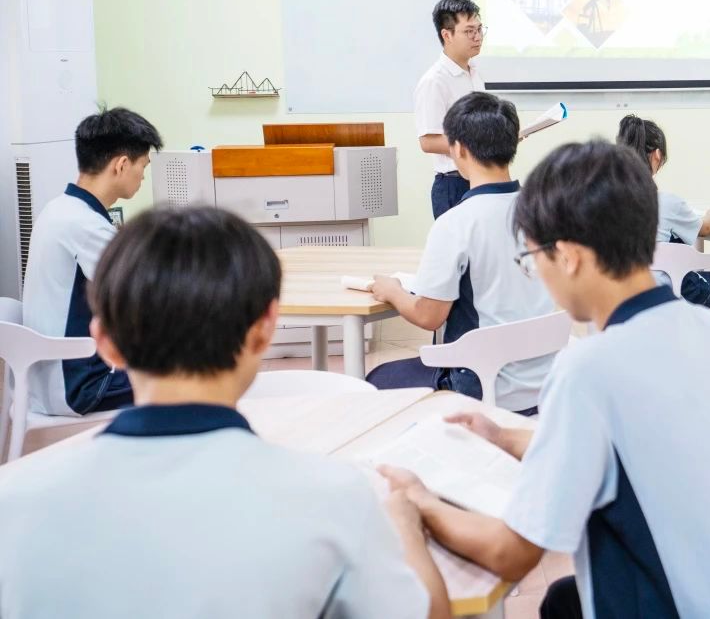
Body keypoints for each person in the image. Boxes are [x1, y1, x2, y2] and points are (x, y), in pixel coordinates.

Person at [380, 141, 710, 618]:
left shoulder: (589, 369)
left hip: (692, 608)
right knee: (563, 601)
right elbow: (629, 445)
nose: (536, 273)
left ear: (568, 256)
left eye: (531, 257)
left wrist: (417, 504)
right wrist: (503, 436)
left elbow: (510, 552)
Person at [0, 206, 448, 619]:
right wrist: (406, 526)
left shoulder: (14, 503)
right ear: (264, 330)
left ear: (105, 343)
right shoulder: (337, 498)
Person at [367, 92, 554, 415]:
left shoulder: (456, 223)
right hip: (546, 384)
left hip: (486, 389)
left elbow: (429, 316)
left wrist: (393, 291)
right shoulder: (545, 210)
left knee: (376, 379)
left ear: (459, 149)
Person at [21, 107, 162, 416]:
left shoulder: (58, 209)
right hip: (79, 386)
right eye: (143, 165)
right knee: (194, 373)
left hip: (38, 380)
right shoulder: (87, 226)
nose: (142, 176)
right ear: (122, 165)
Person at [615, 114, 710, 323]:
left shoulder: (608, 203)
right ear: (657, 155)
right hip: (665, 291)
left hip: (620, 292)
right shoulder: (667, 203)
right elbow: (705, 228)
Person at [415, 0, 486, 218]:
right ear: (447, 35)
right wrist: (477, 144)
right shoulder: (434, 81)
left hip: (480, 178)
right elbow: (428, 141)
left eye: (480, 29)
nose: (477, 37)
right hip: (453, 184)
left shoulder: (474, 73)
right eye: (469, 31)